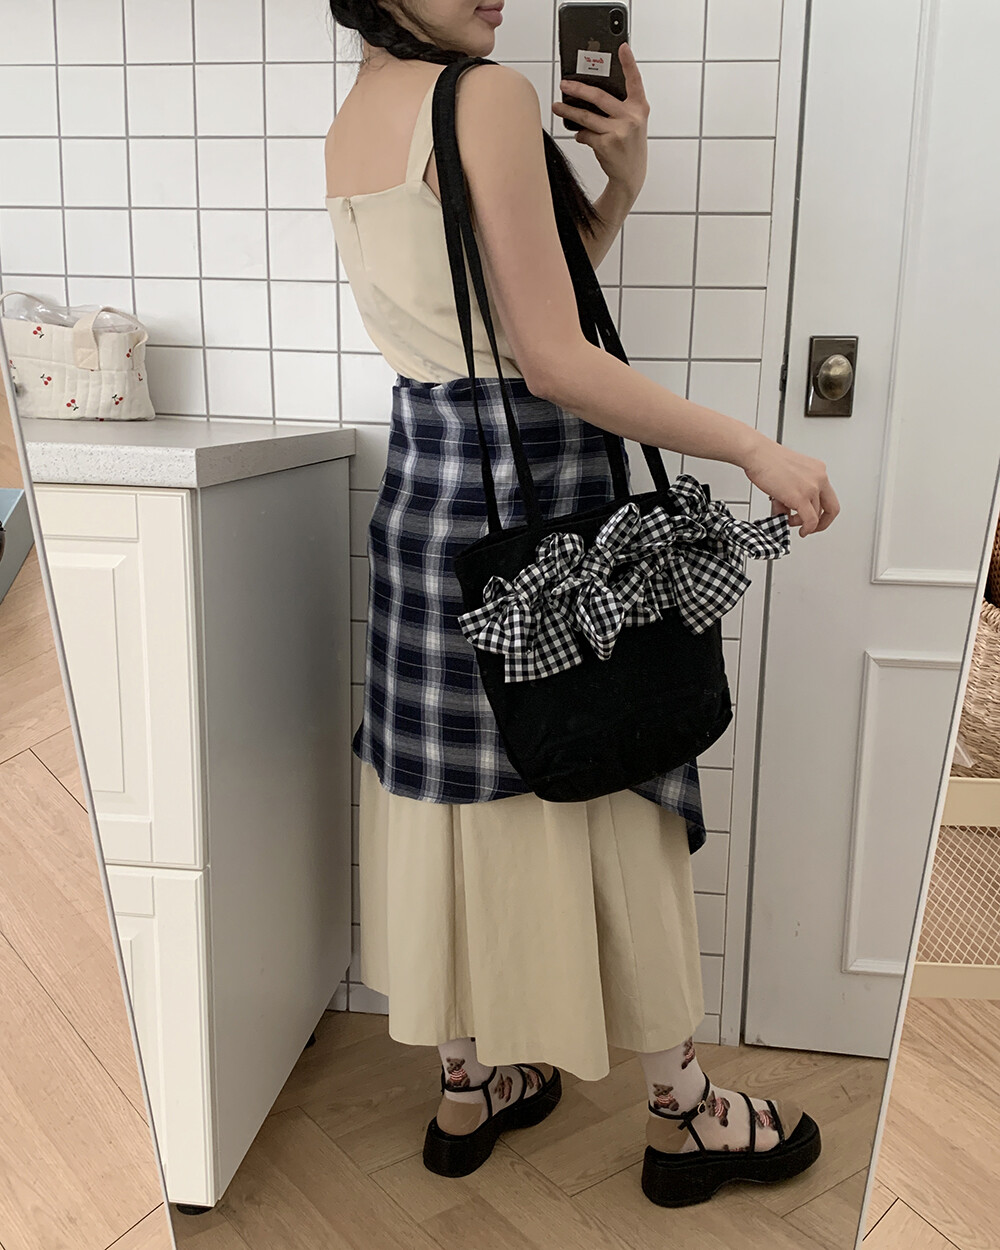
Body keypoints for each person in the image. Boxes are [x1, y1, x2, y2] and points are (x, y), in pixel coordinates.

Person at [324, 0, 839, 1205]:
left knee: (453, 807)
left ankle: (468, 1087)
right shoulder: (486, 96)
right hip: (541, 504)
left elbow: (503, 323)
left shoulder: (354, 116)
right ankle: (684, 1113)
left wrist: (620, 185)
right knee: (609, 784)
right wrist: (750, 445)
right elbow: (551, 362)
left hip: (431, 515)